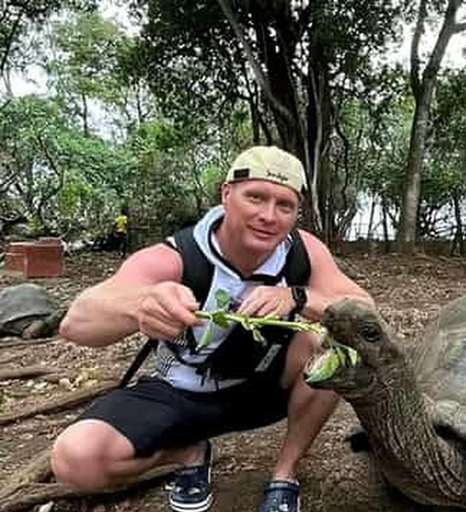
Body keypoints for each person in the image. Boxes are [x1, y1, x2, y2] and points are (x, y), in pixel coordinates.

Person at [51, 146, 374, 512]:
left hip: (260, 389)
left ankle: (284, 474)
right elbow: (75, 323)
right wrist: (138, 305)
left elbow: (364, 309)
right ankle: (189, 452)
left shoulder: (301, 252)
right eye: (255, 197)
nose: (268, 216)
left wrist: (297, 297)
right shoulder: (177, 255)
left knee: (330, 349)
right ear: (226, 194)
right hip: (179, 393)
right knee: (75, 460)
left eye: (284, 206)